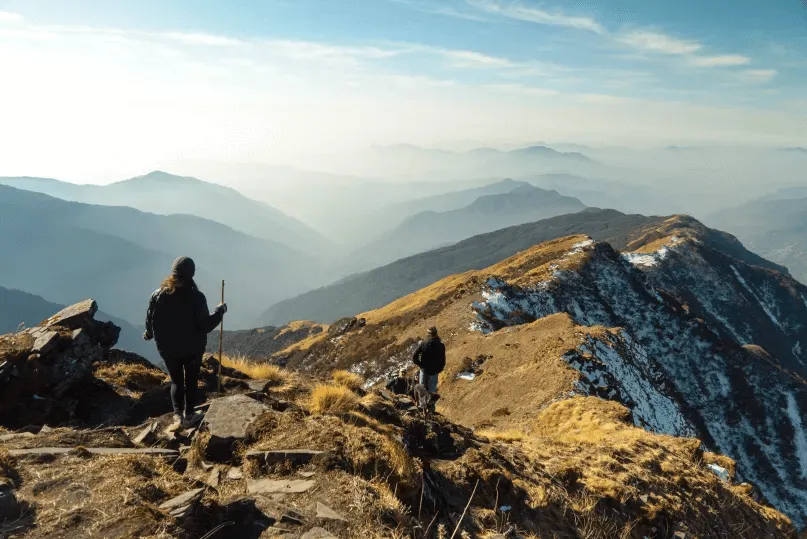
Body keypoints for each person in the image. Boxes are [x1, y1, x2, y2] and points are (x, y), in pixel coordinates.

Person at [144, 256, 227, 429]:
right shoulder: (196, 297)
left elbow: (150, 319)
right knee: (190, 381)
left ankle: (177, 416)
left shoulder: (157, 295)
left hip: (168, 349)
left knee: (176, 381)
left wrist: (150, 334)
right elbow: (205, 325)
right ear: (192, 274)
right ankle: (189, 414)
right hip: (192, 349)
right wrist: (219, 312)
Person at [412, 326, 445, 413]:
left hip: (424, 370)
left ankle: (422, 408)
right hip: (434, 372)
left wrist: (420, 365)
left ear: (428, 334)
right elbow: (443, 361)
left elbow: (414, 357)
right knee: (431, 391)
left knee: (422, 389)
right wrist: (439, 369)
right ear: (436, 333)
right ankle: (430, 410)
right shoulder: (441, 345)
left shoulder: (423, 343)